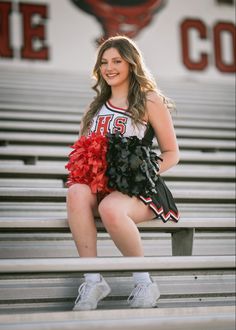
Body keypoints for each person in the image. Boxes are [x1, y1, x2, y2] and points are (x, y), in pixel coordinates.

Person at [66, 35, 180, 311]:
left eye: (117, 61)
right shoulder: (94, 107)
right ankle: (93, 281)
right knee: (76, 191)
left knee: (111, 210)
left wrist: (143, 173)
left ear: (131, 63)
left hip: (140, 188)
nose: (109, 67)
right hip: (102, 186)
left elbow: (172, 153)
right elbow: (86, 150)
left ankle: (144, 282)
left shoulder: (149, 100)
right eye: (104, 62)